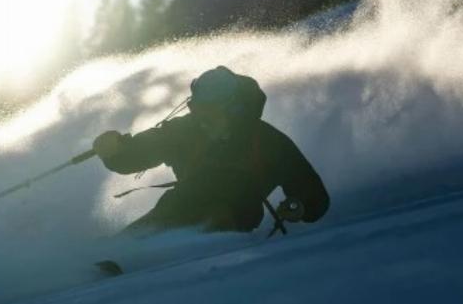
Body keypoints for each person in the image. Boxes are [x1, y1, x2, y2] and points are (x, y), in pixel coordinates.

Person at [92, 66, 329, 235]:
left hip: (232, 223)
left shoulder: (268, 142)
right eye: (196, 108)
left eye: (209, 110)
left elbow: (312, 192)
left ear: (233, 108)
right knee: (142, 233)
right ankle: (116, 259)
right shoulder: (185, 130)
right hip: (175, 209)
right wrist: (114, 152)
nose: (201, 117)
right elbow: (141, 151)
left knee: (215, 216)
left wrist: (300, 206)